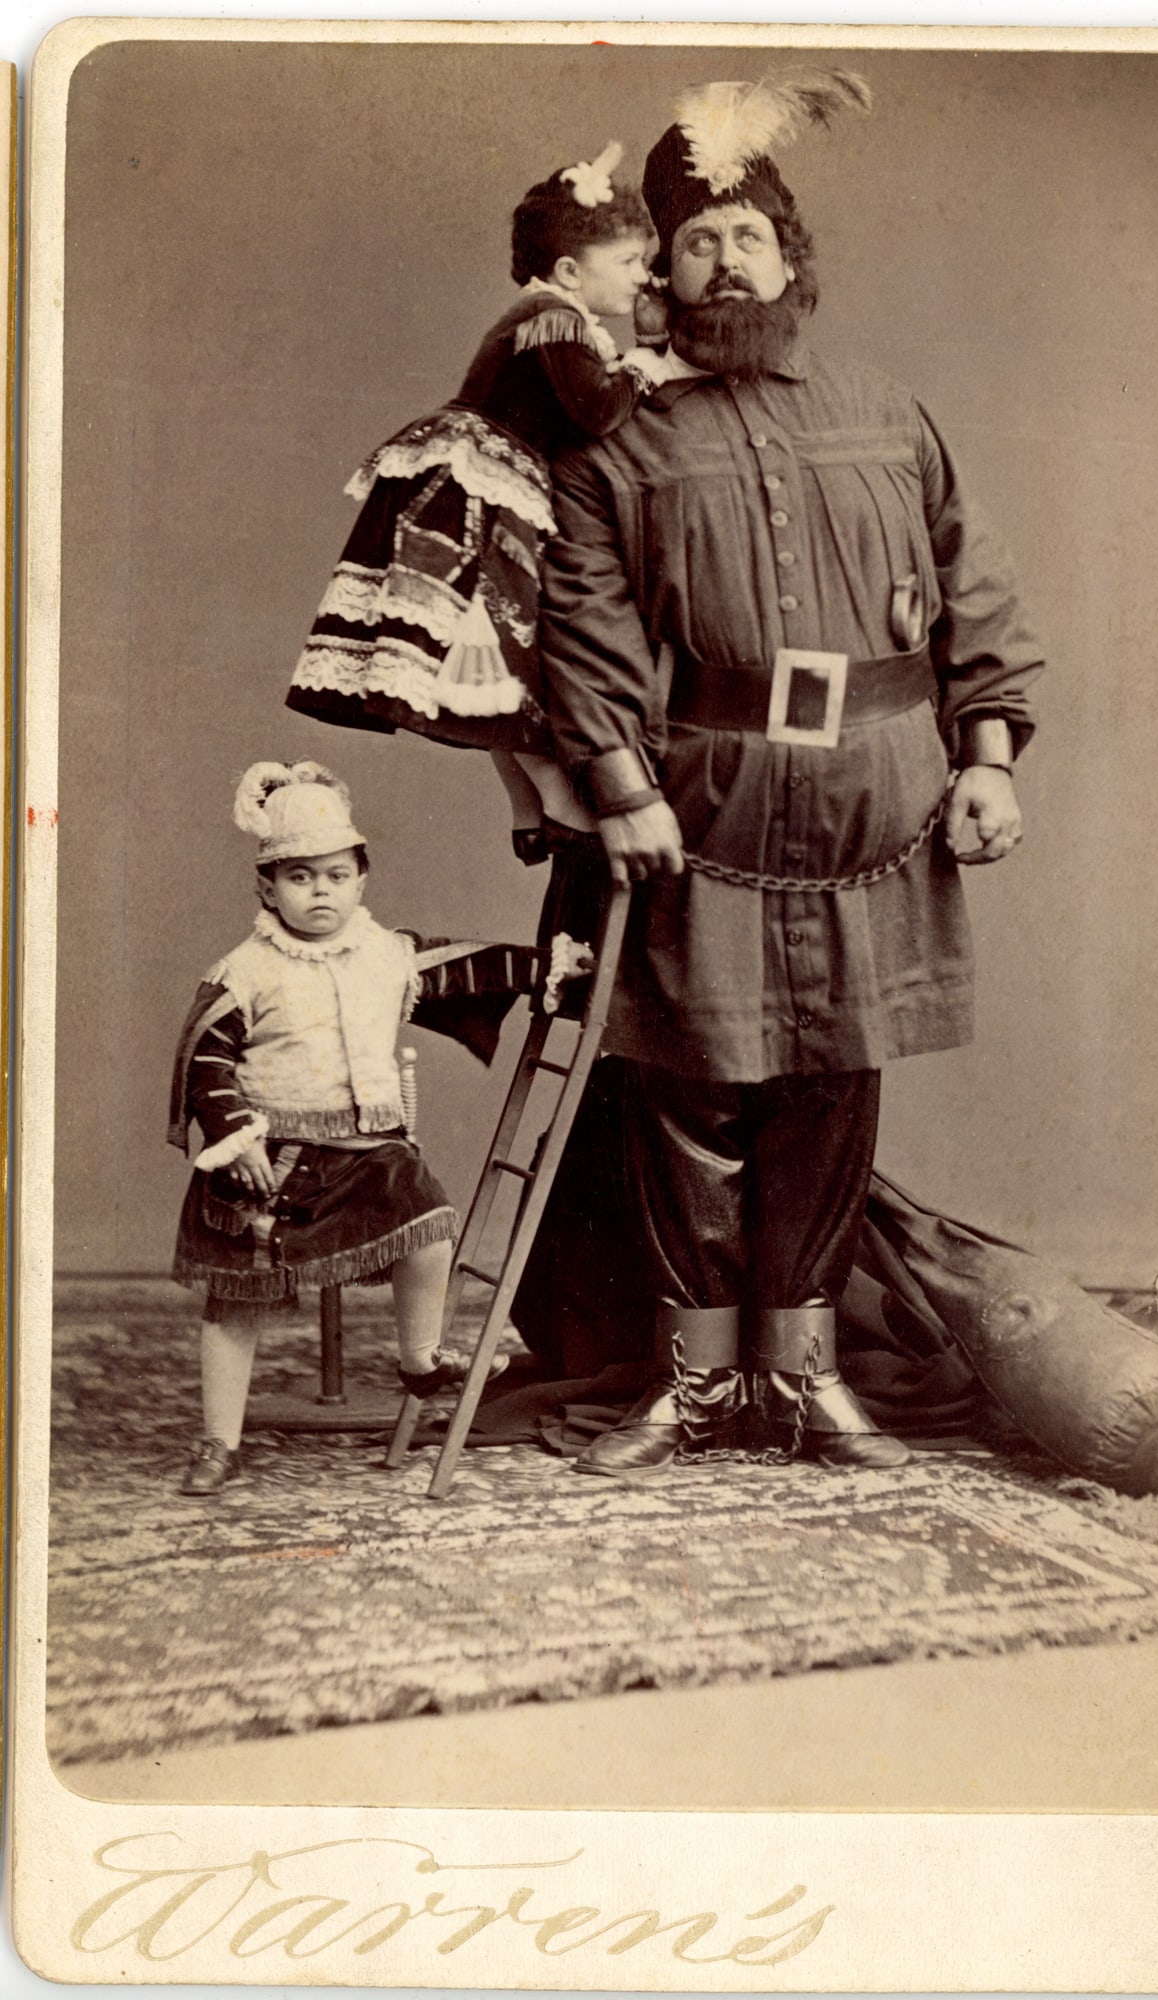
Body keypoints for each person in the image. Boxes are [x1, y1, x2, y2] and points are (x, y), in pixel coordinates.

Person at [537, 73, 1046, 1478]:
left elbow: (975, 593)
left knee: (831, 1077)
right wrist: (622, 788)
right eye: (695, 241)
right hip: (702, 801)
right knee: (686, 1083)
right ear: (658, 271)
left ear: (790, 254)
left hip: (880, 797)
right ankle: (697, 1383)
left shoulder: (888, 411)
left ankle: (805, 1380)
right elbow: (579, 627)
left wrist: (988, 757)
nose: (725, 261)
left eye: (747, 236)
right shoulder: (615, 441)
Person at [167, 759, 547, 1493]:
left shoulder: (386, 954)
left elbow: (471, 966)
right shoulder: (243, 970)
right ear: (267, 888)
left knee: (430, 1224)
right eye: (300, 877)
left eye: (337, 876)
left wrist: (548, 968)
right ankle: (217, 1441)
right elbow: (205, 1059)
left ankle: (420, 1359)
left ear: (361, 880)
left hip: (367, 1152)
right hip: (270, 1159)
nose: (321, 891)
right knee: (235, 1301)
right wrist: (236, 1137)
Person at [285, 142, 666, 863]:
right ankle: (553, 799)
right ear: (569, 272)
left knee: (483, 654)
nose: (641, 275)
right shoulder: (554, 318)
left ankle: (527, 807)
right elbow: (595, 413)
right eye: (628, 262)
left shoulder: (548, 318)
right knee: (504, 644)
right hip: (474, 493)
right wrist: (647, 365)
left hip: (479, 481)